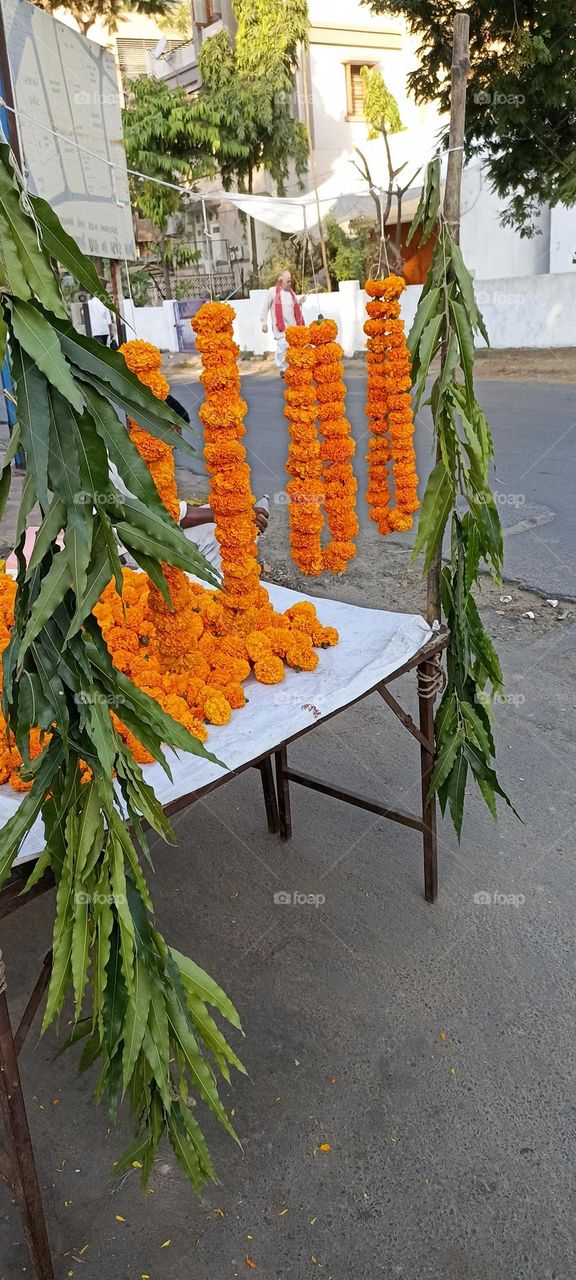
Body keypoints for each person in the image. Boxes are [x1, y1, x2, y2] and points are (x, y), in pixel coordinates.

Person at [261, 270, 306, 375]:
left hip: (292, 326)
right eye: (288, 281)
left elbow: (294, 306)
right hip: (280, 327)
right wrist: (264, 323)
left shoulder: (291, 293)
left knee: (293, 348)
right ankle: (282, 368)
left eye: (290, 281)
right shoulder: (272, 292)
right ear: (281, 281)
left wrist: (300, 301)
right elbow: (265, 307)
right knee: (282, 346)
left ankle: (292, 368)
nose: (290, 284)